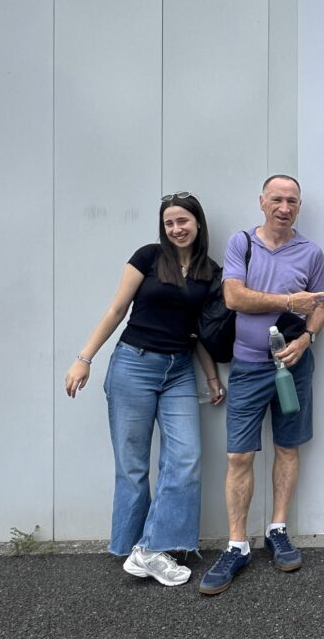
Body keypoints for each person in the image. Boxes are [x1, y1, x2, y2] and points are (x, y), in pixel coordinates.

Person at [64, 192, 225, 587]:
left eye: (183, 221)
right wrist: (83, 358)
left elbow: (199, 331)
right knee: (132, 463)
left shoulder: (210, 271)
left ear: (198, 223)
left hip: (179, 371)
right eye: (169, 223)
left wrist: (211, 376)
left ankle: (151, 547)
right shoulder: (149, 257)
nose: (176, 229)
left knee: (185, 457)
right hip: (133, 364)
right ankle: (134, 546)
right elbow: (116, 310)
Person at [199, 174, 324, 596]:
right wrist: (290, 302)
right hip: (248, 367)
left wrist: (307, 338)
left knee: (288, 448)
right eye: (277, 198)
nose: (284, 206)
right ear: (262, 202)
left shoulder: (311, 252)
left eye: (292, 200)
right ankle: (237, 545)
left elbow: (322, 308)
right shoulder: (243, 243)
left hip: (294, 368)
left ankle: (278, 529)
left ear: (299, 206)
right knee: (239, 456)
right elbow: (235, 298)